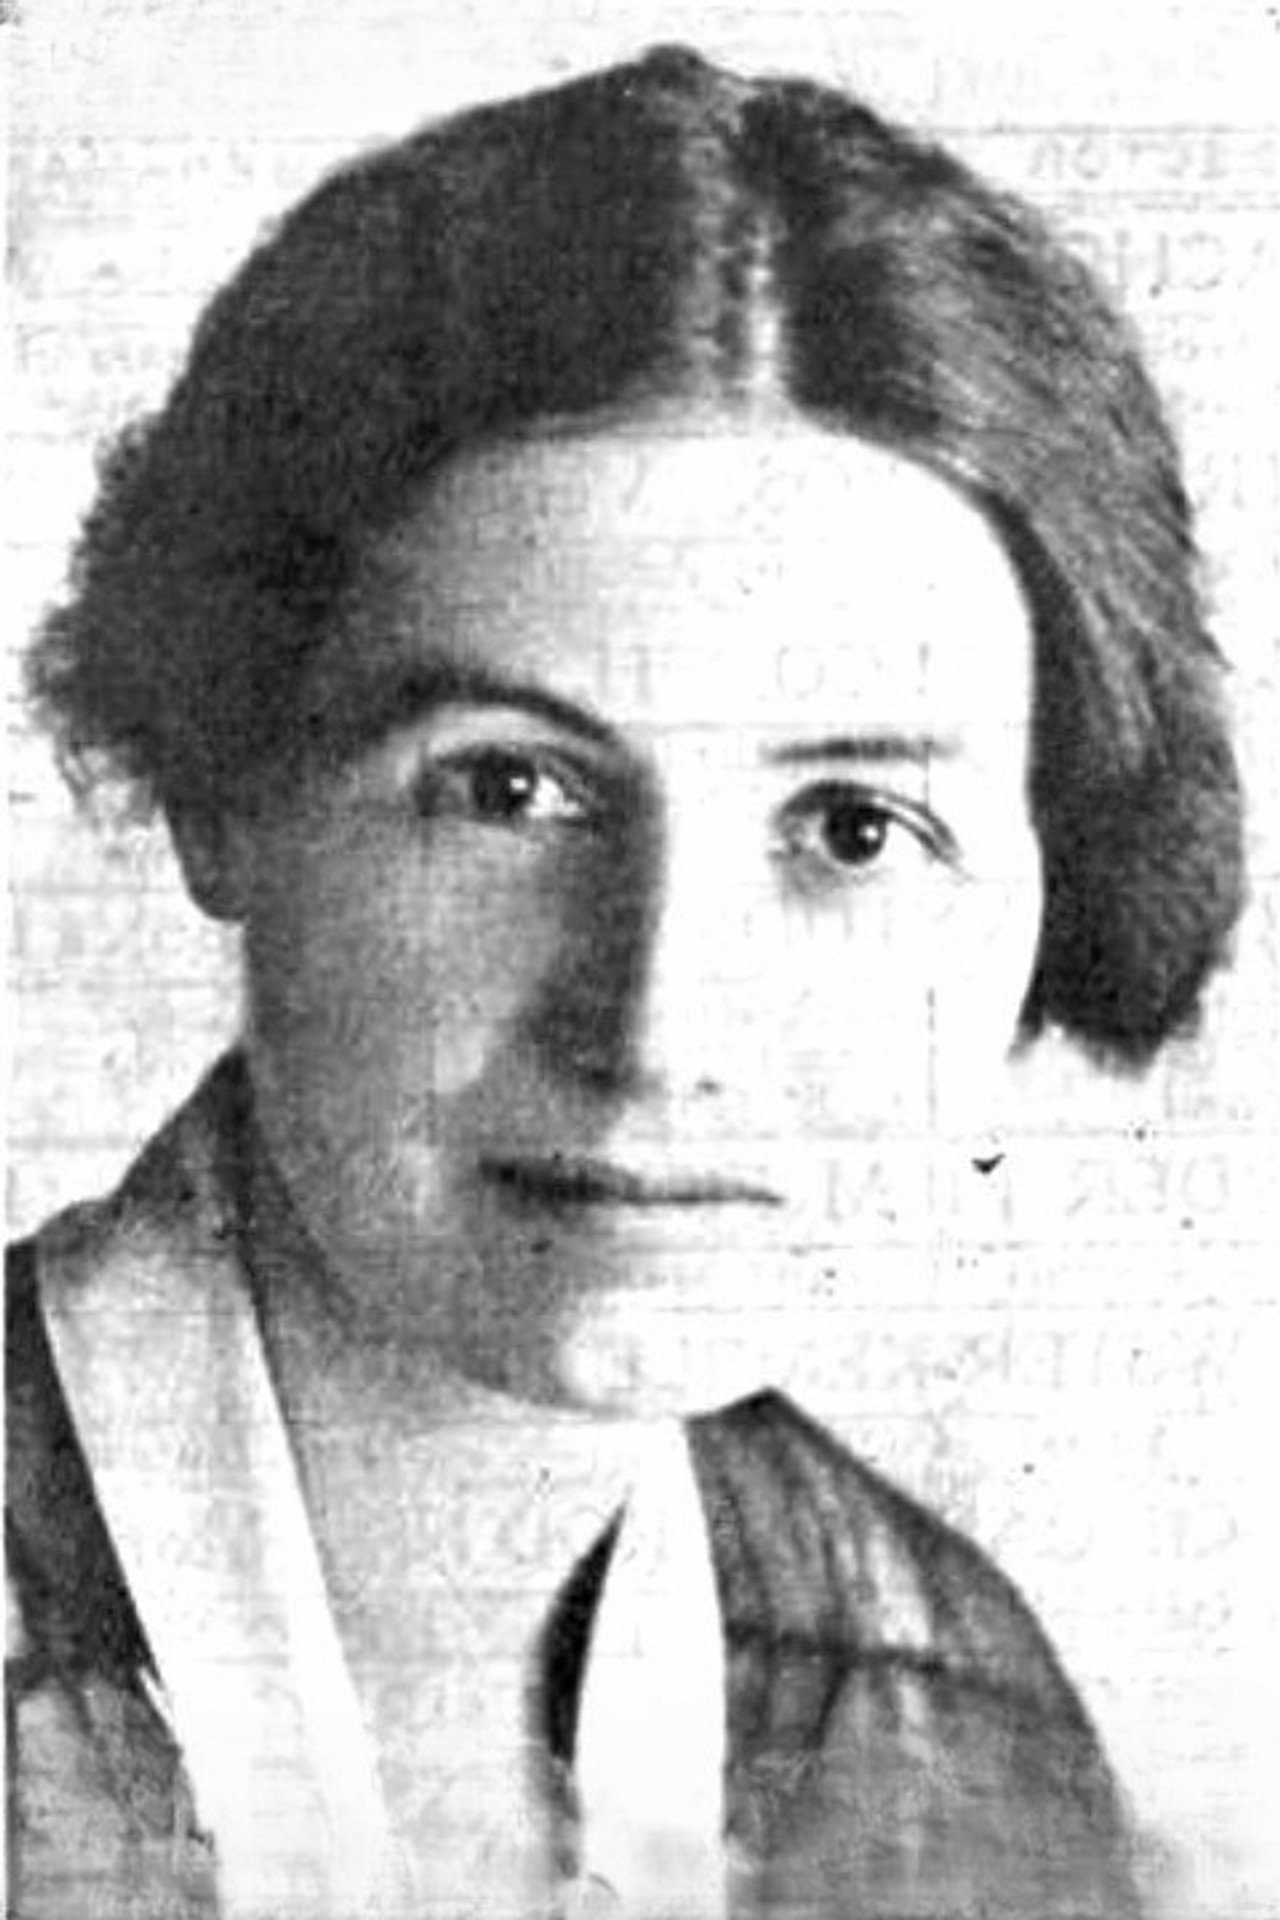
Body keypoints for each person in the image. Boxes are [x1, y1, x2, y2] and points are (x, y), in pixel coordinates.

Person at [6, 42, 1244, 1920]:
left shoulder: (940, 1707)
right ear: (223, 792)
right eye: (507, 789)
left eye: (852, 829)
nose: (662, 1028)